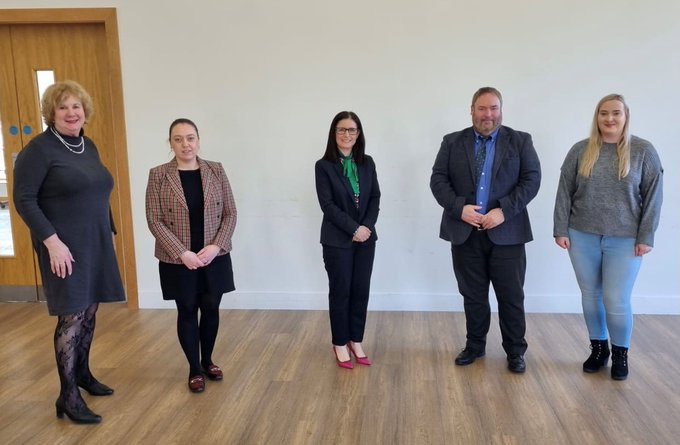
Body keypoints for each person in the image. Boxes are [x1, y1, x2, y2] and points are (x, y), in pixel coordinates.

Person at [13, 80, 125, 424]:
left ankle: (83, 374)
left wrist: (107, 230)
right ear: (51, 113)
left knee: (90, 310)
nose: (71, 112)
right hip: (62, 247)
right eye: (63, 107)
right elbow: (24, 200)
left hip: (94, 242)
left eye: (76, 106)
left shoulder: (87, 145)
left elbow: (96, 188)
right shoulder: (39, 150)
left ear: (85, 111)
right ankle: (68, 395)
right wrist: (52, 241)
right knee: (72, 315)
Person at [430, 87, 541, 373]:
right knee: (473, 294)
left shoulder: (520, 141)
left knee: (511, 296)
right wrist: (459, 208)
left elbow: (531, 180)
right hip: (465, 232)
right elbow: (438, 180)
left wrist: (503, 211)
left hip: (507, 233)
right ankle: (475, 346)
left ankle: (515, 351)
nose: (488, 114)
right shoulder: (452, 142)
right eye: (482, 108)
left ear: (501, 109)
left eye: (493, 108)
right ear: (472, 110)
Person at [553, 94, 663, 381]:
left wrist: (646, 235)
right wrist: (560, 229)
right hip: (581, 235)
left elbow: (653, 196)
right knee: (591, 295)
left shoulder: (643, 151)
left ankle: (620, 353)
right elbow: (564, 190)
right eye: (604, 113)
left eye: (616, 113)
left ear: (626, 116)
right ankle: (598, 349)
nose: (609, 119)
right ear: (597, 117)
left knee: (616, 299)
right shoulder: (581, 150)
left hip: (626, 239)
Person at [145, 118, 237, 393]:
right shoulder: (158, 175)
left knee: (211, 308)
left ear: (199, 140)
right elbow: (154, 219)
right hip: (178, 260)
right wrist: (181, 252)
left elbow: (230, 213)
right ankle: (194, 368)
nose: (185, 144)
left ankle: (208, 361)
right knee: (186, 310)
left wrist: (216, 246)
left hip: (213, 257)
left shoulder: (216, 170)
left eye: (190, 137)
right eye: (178, 139)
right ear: (170, 143)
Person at [315, 111, 381, 369]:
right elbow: (328, 205)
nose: (347, 135)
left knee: (360, 291)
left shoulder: (368, 162)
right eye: (342, 130)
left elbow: (375, 197)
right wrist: (354, 229)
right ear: (334, 133)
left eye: (352, 130)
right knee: (341, 292)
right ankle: (340, 343)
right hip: (337, 240)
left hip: (366, 239)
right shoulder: (323, 166)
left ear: (358, 134)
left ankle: (356, 339)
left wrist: (366, 227)